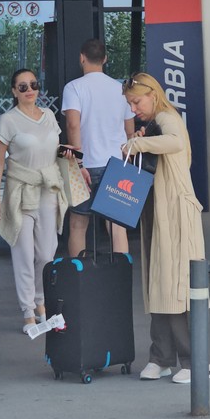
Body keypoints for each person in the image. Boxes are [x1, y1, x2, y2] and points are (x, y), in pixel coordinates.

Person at [122, 72, 207, 384]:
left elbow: (174, 142)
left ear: (152, 94)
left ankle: (192, 360)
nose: (133, 108)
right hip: (158, 210)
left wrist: (138, 141)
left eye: (136, 100)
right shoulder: (158, 119)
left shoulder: (167, 117)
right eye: (130, 103)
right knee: (159, 284)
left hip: (174, 212)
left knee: (175, 286)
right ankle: (162, 357)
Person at [0, 69, 67, 333]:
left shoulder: (49, 116)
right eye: (22, 87)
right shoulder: (8, 120)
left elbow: (58, 151)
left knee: (46, 253)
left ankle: (41, 302)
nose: (29, 90)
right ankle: (28, 311)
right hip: (19, 191)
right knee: (23, 253)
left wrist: (76, 160)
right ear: (13, 91)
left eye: (33, 84)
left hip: (48, 190)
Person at [62, 39, 135, 256]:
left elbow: (73, 124)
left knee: (78, 224)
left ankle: (79, 276)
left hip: (84, 165)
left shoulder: (74, 87)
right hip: (116, 164)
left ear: (81, 57)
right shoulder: (120, 88)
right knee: (117, 227)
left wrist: (78, 161)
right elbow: (130, 130)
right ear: (105, 59)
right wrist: (127, 161)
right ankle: (121, 275)